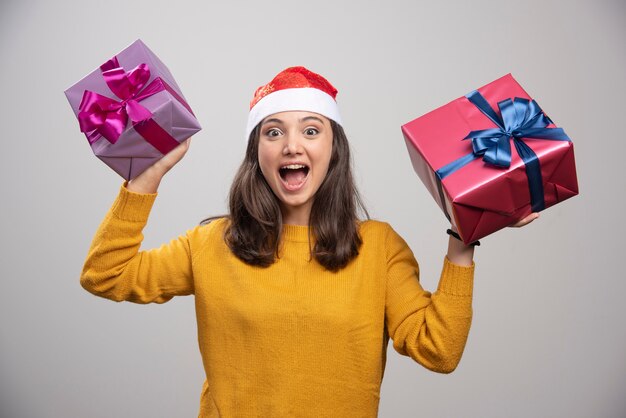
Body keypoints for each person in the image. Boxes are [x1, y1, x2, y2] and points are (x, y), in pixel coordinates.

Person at [80, 66, 538, 417]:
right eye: (273, 131)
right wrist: (146, 178)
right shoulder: (211, 243)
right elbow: (106, 275)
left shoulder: (378, 247)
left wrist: (463, 238)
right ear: (256, 153)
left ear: (333, 150)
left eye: (311, 130)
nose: (291, 146)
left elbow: (439, 350)